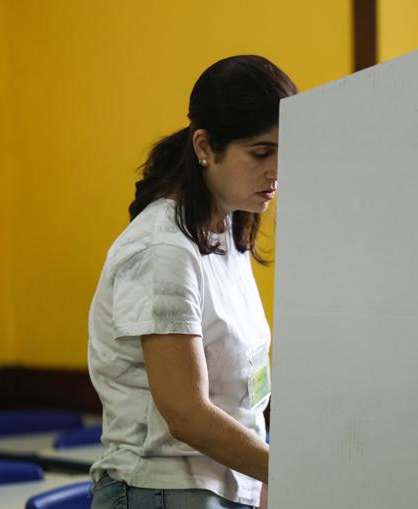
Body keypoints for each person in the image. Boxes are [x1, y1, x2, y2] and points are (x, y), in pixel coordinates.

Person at [87, 55, 297, 509]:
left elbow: (243, 389)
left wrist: (263, 482)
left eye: (287, 150)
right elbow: (186, 413)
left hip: (219, 485)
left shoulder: (227, 231)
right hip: (161, 488)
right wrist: (291, 470)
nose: (277, 170)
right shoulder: (163, 249)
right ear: (205, 146)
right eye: (261, 153)